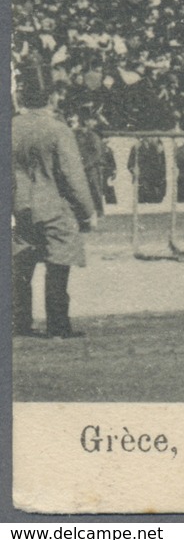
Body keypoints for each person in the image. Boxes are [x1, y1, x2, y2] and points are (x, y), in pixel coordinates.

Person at [12, 58, 96, 339]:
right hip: (52, 206)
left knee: (21, 267)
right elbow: (73, 177)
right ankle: (58, 325)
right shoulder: (58, 129)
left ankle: (19, 322)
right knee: (58, 266)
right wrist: (88, 211)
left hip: (19, 207)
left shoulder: (11, 127)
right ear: (50, 97)